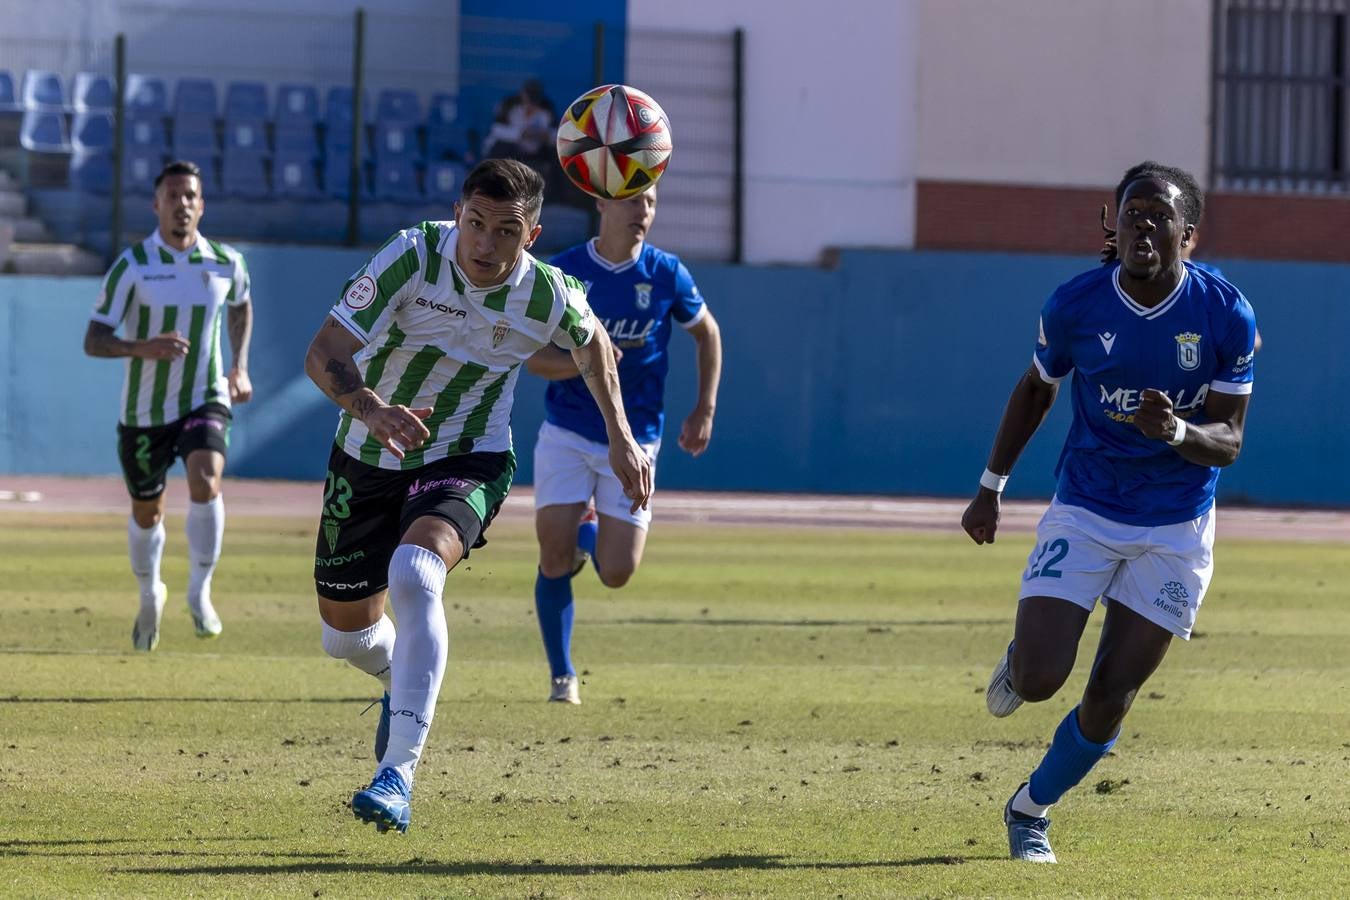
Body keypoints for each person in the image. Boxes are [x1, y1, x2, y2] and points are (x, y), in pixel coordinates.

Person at [303, 157, 651, 834]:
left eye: (505, 232)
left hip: (470, 457)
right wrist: (373, 410)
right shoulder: (409, 257)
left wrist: (622, 437)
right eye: (475, 224)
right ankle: (398, 683)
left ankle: (397, 773)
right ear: (458, 214)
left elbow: (595, 346)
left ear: (533, 234)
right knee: (343, 639)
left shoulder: (547, 291)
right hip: (368, 455)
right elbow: (323, 352)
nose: (485, 245)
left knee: (415, 570)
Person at [963, 161, 1256, 863]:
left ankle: (1030, 810)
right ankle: (1022, 657)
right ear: (1111, 224)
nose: (1143, 227)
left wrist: (1179, 433)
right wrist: (990, 484)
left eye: (1159, 217)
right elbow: (1036, 392)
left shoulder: (1225, 314)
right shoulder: (1075, 306)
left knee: (1111, 693)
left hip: (1176, 526)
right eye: (1132, 214)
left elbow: (1231, 440)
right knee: (1038, 680)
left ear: (1189, 235)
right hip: (1087, 508)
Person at [525, 185, 721, 704]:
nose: (644, 212)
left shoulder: (665, 273)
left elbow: (708, 334)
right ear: (602, 204)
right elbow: (533, 359)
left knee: (617, 573)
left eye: (652, 202)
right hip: (568, 431)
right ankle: (562, 676)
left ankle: (589, 534)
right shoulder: (564, 273)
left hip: (637, 439)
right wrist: (588, 358)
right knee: (551, 556)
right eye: (633, 201)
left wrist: (704, 408)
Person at [83, 159, 254, 651]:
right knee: (146, 511)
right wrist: (142, 347)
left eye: (190, 196)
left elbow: (241, 304)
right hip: (142, 413)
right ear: (156, 203)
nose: (181, 203)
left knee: (206, 479)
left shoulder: (226, 261)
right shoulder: (133, 265)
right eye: (172, 195)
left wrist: (238, 367)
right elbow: (94, 340)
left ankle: (199, 592)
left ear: (201, 205)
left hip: (204, 397)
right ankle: (148, 593)